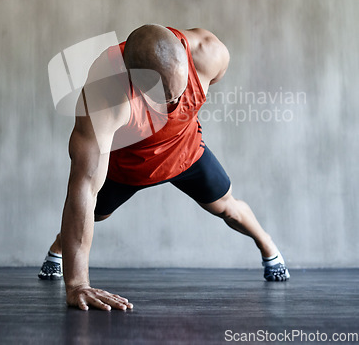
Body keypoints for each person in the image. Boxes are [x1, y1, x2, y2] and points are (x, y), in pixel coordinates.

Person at [39, 25, 290, 311]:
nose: (172, 102)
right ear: (132, 79)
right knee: (92, 213)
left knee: (227, 206)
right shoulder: (105, 93)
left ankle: (268, 247)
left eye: (177, 92)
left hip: (183, 150)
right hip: (129, 165)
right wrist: (77, 285)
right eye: (161, 98)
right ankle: (59, 247)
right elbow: (82, 186)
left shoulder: (210, 53)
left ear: (186, 59)